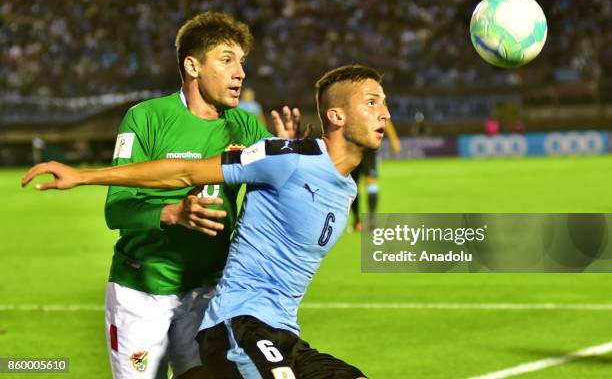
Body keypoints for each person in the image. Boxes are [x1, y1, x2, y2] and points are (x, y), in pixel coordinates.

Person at [23, 64, 388, 378]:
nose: (384, 112)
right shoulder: (287, 157)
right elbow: (184, 171)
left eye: (383, 102)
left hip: (282, 334)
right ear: (336, 116)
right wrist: (85, 176)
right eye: (372, 102)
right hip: (238, 326)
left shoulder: (345, 187)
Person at [100, 11, 304, 379]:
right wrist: (174, 213)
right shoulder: (145, 118)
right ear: (192, 66)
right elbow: (116, 210)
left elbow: (281, 206)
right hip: (142, 291)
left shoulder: (244, 125)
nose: (240, 72)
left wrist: (286, 162)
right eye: (227, 60)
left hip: (208, 292)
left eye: (241, 62)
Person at [350, 119, 401, 232]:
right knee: (354, 185)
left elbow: (385, 119)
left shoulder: (374, 101)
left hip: (367, 146)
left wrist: (394, 139)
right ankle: (358, 221)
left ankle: (370, 220)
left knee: (370, 182)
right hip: (354, 146)